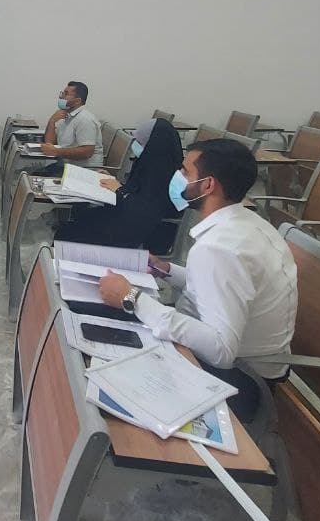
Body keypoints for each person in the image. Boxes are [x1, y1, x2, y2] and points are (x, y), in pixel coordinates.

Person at [98, 138, 298, 421]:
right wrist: (167, 270)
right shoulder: (249, 223)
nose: (177, 176)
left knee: (106, 377)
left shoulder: (219, 248)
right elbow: (218, 288)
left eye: (185, 171)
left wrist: (132, 299)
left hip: (242, 380)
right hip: (249, 364)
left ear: (208, 185)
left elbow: (221, 350)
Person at [54, 118, 183, 251]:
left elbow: (145, 210)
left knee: (69, 234)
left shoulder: (165, 174)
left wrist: (120, 190)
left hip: (141, 232)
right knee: (79, 220)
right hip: (129, 220)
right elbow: (137, 192)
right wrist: (116, 182)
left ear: (154, 145)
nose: (136, 146)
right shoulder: (150, 162)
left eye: (140, 143)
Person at [32, 80, 102, 176]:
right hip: (66, 166)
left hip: (83, 171)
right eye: (62, 93)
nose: (61, 97)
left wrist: (56, 152)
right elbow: (50, 143)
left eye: (66, 94)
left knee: (35, 177)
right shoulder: (66, 115)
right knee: (32, 173)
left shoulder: (85, 119)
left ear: (77, 101)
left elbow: (87, 152)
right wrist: (52, 120)